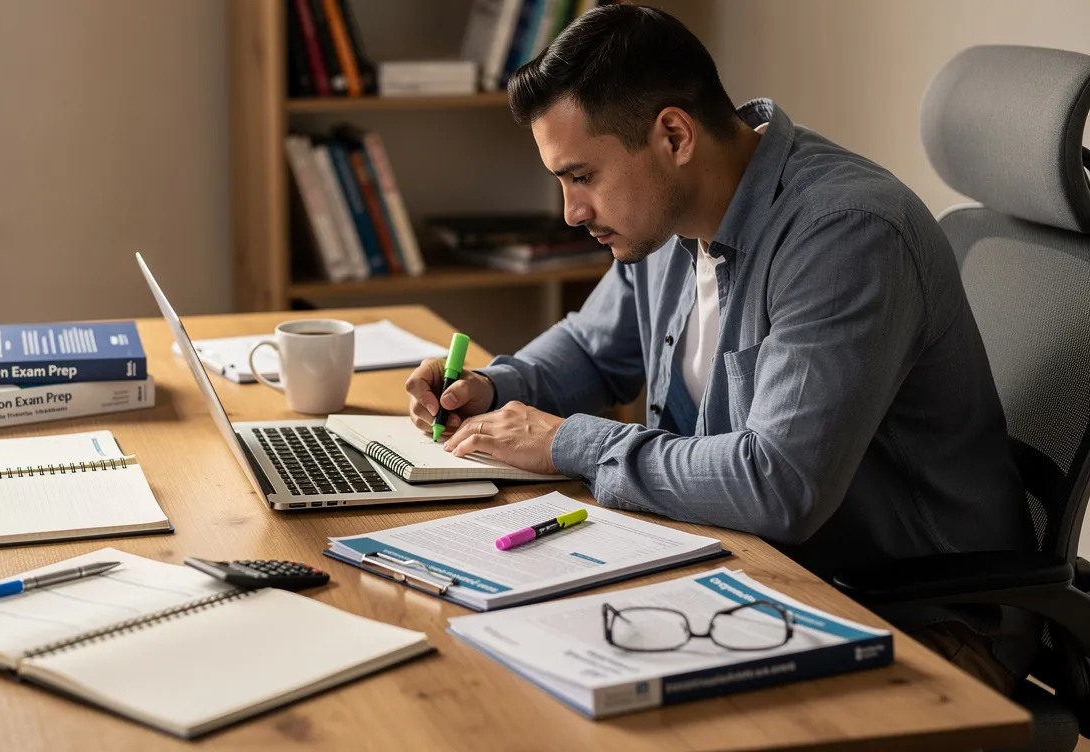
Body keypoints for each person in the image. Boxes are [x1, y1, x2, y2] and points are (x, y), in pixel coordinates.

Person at [404, 4, 1037, 695]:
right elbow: (593, 350)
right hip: (754, 578)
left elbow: (777, 484)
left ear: (674, 135)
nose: (571, 212)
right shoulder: (663, 218)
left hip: (915, 623)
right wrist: (494, 386)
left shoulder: (845, 235)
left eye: (582, 177)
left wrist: (569, 443)